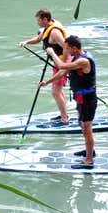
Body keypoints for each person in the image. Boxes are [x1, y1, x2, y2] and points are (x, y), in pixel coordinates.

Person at [40, 35, 97, 169]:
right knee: (82, 126)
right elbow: (62, 71)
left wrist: (52, 52)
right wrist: (47, 82)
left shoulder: (83, 61)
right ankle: (90, 151)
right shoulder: (76, 57)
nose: (65, 51)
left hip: (88, 100)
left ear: (75, 48)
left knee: (87, 129)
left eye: (67, 48)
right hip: (80, 99)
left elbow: (61, 64)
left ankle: (89, 161)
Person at [19, 9, 69, 124]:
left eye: (38, 20)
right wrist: (25, 42)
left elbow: (66, 47)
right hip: (57, 63)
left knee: (55, 92)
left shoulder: (55, 32)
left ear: (45, 19)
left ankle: (65, 118)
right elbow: (38, 39)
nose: (37, 23)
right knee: (58, 91)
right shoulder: (48, 27)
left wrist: (65, 65)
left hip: (62, 64)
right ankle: (64, 114)